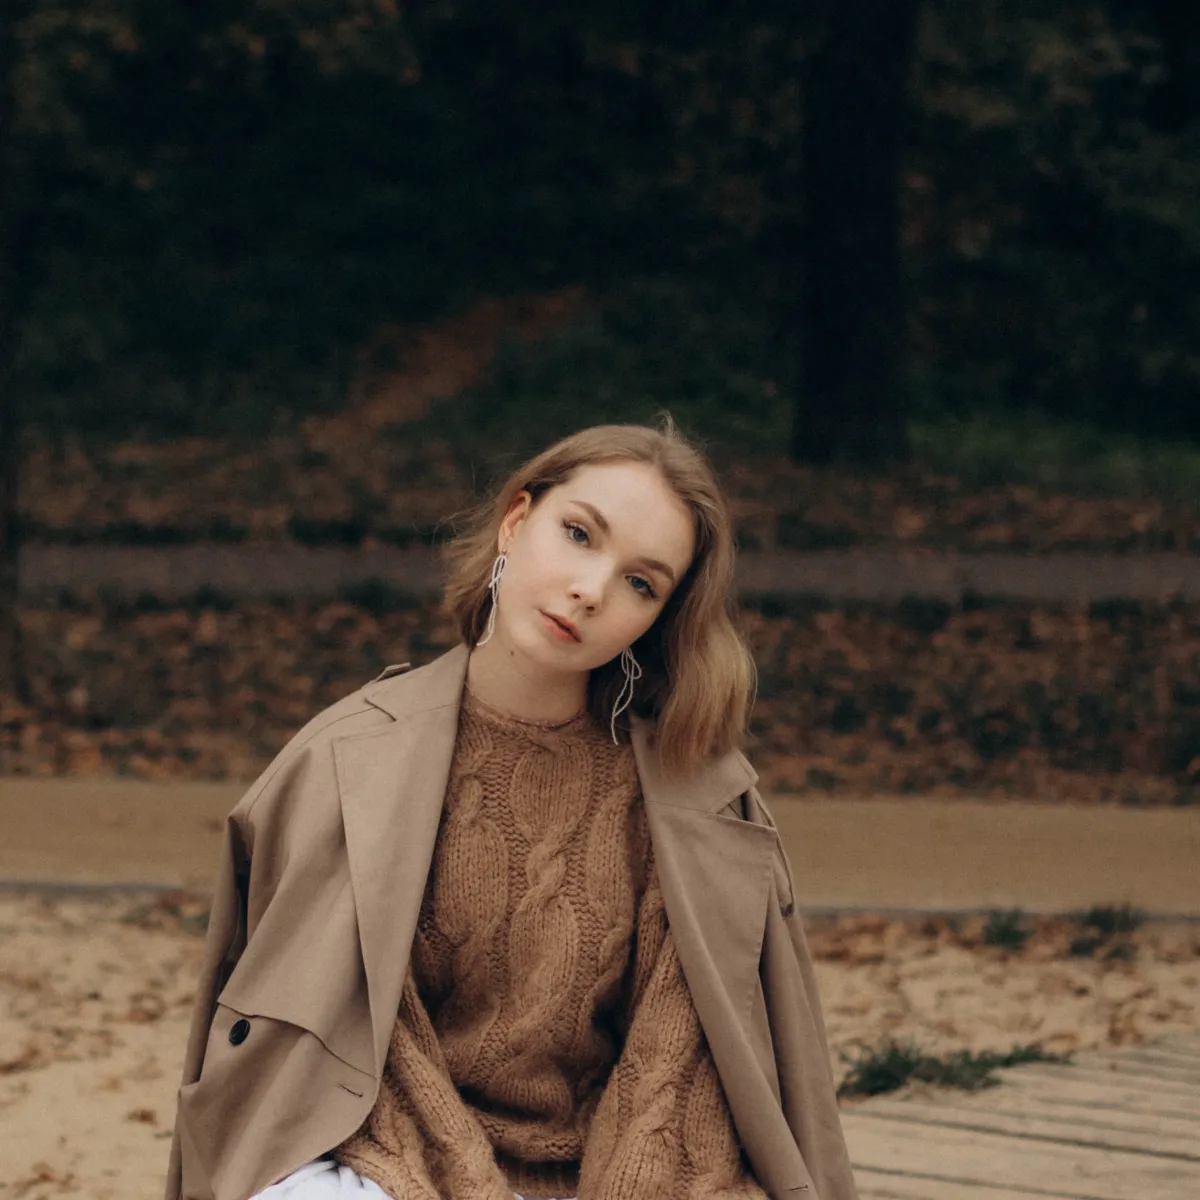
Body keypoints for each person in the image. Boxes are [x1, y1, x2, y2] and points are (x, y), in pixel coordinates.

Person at [166, 421, 859, 1200]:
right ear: (515, 521)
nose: (590, 590)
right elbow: (324, 1055)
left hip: (606, 1176)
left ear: (660, 619)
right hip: (385, 1160)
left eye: (641, 584)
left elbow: (676, 1068)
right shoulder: (347, 760)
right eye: (578, 535)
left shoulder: (694, 800)